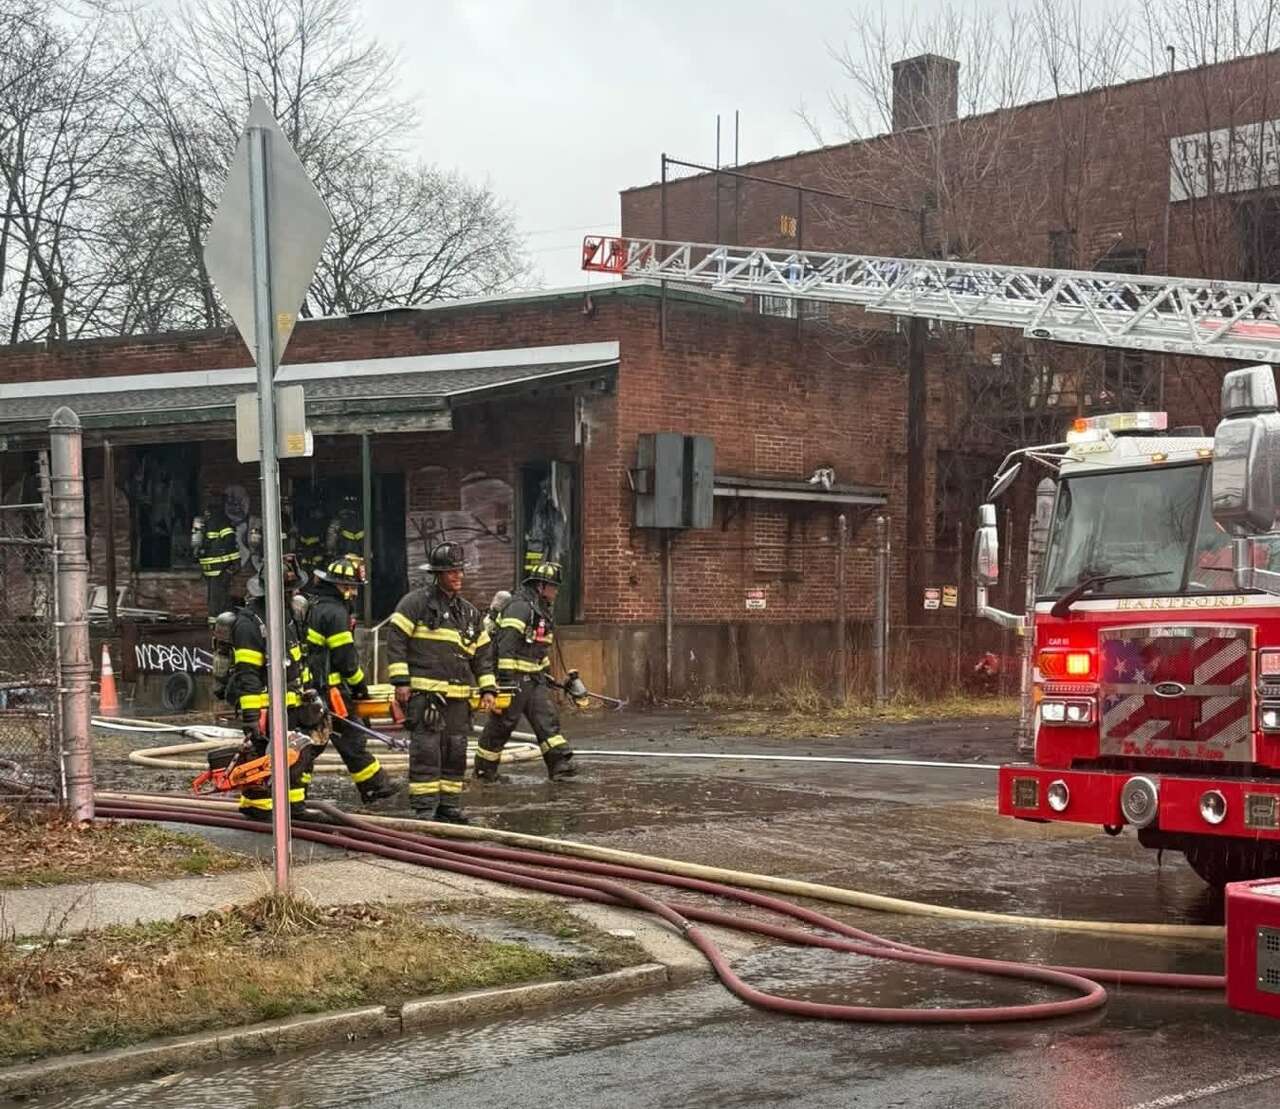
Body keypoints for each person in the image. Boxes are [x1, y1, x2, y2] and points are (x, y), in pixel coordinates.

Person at [386, 543, 496, 822]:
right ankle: (424, 808)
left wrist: (488, 688)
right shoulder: (415, 603)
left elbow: (482, 654)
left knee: (456, 750)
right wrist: (400, 680)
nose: (457, 576)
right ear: (438, 574)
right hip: (425, 695)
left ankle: (449, 805)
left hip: (458, 697)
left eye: (459, 570)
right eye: (451, 571)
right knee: (426, 751)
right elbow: (396, 639)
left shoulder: (469, 613)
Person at [219, 561, 314, 821]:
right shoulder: (250, 625)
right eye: (287, 591)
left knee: (297, 757)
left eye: (293, 591)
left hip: (292, 705)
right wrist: (251, 717)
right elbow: (247, 675)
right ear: (271, 592)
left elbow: (297, 662)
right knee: (263, 760)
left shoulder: (287, 619)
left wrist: (310, 693)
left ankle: (293, 808)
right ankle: (257, 809)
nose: (292, 596)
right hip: (265, 708)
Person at [304, 555, 396, 804]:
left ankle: (375, 787)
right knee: (340, 740)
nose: (353, 593)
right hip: (330, 690)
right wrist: (359, 686)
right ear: (338, 585)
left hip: (318, 687)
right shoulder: (334, 612)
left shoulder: (320, 605)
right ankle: (377, 789)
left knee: (323, 741)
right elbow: (345, 658)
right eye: (350, 587)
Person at [475, 562, 576, 782]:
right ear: (541, 586)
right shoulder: (520, 607)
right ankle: (485, 771)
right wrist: (505, 682)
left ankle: (560, 767)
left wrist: (546, 673)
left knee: (546, 719)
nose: (556, 591)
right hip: (514, 680)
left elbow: (539, 647)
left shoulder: (541, 610)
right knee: (502, 726)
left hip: (533, 680)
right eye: (553, 586)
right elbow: (505, 646)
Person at [192, 500, 241, 624]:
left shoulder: (205, 522)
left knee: (212, 596)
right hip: (220, 568)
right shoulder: (222, 521)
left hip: (208, 567)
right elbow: (230, 542)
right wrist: (236, 562)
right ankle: (218, 624)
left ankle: (212, 621)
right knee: (220, 597)